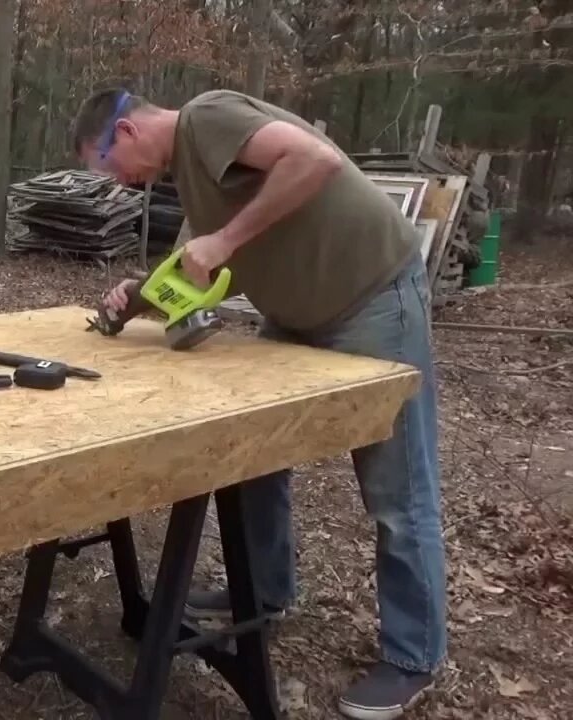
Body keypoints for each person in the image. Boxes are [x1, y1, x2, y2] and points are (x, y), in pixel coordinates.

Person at [69, 87, 447, 720]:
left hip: (372, 299)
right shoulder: (192, 172)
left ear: (126, 133)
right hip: (298, 316)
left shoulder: (208, 117)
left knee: (399, 492)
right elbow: (202, 262)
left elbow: (316, 161)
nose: (120, 182)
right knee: (252, 456)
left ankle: (413, 655)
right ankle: (264, 594)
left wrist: (224, 242)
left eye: (109, 166)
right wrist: (140, 296)